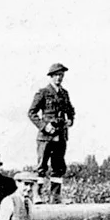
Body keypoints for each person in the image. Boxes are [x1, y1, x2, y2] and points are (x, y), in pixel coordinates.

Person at [28, 62, 75, 204]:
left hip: (60, 134)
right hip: (46, 136)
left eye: (61, 75)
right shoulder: (43, 92)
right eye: (56, 75)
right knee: (41, 165)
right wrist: (44, 126)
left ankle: (55, 196)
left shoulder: (64, 94)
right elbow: (31, 113)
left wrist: (70, 120)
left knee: (58, 166)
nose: (58, 78)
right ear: (50, 77)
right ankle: (37, 195)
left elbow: (70, 110)